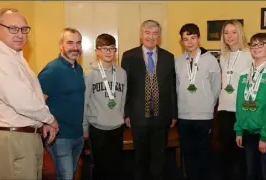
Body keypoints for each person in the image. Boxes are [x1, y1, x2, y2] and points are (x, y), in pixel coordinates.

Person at [0, 8, 58, 179]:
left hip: (26, 137)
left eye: (24, 29)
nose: (20, 34)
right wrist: (49, 119)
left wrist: (41, 121)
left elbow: (32, 95)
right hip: (13, 139)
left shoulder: (16, 57)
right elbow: (22, 100)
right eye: (13, 28)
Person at [121, 20, 177, 180]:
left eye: (155, 33)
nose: (151, 37)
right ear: (141, 34)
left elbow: (172, 88)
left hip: (162, 116)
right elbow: (125, 87)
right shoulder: (129, 56)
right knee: (140, 157)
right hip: (138, 116)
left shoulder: (168, 57)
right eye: (147, 33)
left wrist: (173, 114)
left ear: (159, 36)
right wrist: (126, 113)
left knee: (159, 156)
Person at [175, 23, 221, 180]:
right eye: (185, 39)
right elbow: (176, 87)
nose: (189, 42)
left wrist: (208, 104)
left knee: (203, 154)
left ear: (199, 38)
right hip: (183, 115)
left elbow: (216, 87)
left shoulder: (211, 60)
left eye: (193, 38)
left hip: (204, 116)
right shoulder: (178, 61)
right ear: (182, 41)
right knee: (188, 154)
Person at [38, 27, 85, 180]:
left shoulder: (78, 69)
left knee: (69, 175)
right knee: (66, 177)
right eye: (70, 43)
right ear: (61, 46)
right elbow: (38, 102)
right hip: (60, 137)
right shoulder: (52, 70)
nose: (75, 47)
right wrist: (46, 122)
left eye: (78, 43)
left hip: (77, 135)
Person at [235, 33, 266, 180]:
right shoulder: (244, 74)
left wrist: (265, 136)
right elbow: (239, 104)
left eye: (261, 44)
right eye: (253, 44)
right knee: (250, 172)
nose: (256, 48)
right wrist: (238, 129)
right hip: (247, 132)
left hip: (264, 133)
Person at [83, 33, 127, 180]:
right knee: (101, 168)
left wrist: (121, 118)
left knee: (116, 167)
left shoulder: (122, 73)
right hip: (97, 127)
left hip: (117, 127)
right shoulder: (89, 74)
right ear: (97, 51)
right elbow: (85, 102)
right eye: (104, 48)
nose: (108, 52)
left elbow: (123, 99)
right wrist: (84, 127)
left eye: (112, 48)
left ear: (115, 51)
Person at [217, 19, 252, 180]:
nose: (229, 36)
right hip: (224, 110)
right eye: (226, 32)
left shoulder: (249, 54)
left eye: (233, 32)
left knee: (242, 154)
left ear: (240, 33)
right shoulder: (222, 56)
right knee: (226, 154)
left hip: (242, 111)